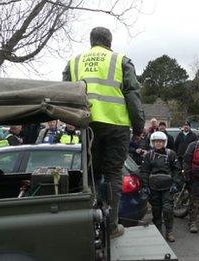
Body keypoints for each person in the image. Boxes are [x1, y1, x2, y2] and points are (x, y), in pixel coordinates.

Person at [63, 27, 144, 238]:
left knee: (91, 174)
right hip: (116, 125)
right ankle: (111, 226)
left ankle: (91, 224)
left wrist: (70, 121)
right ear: (109, 41)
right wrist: (138, 127)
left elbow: (64, 95)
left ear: (91, 41)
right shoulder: (121, 60)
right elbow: (133, 96)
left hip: (87, 124)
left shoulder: (75, 62)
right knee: (114, 174)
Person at [140, 131, 180, 242]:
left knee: (167, 209)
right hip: (153, 187)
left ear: (164, 142)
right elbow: (144, 171)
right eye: (156, 141)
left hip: (167, 187)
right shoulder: (148, 155)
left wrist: (175, 183)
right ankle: (158, 232)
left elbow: (176, 170)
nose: (158, 143)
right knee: (156, 210)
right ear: (153, 142)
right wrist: (145, 186)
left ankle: (169, 231)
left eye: (161, 141)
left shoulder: (171, 154)